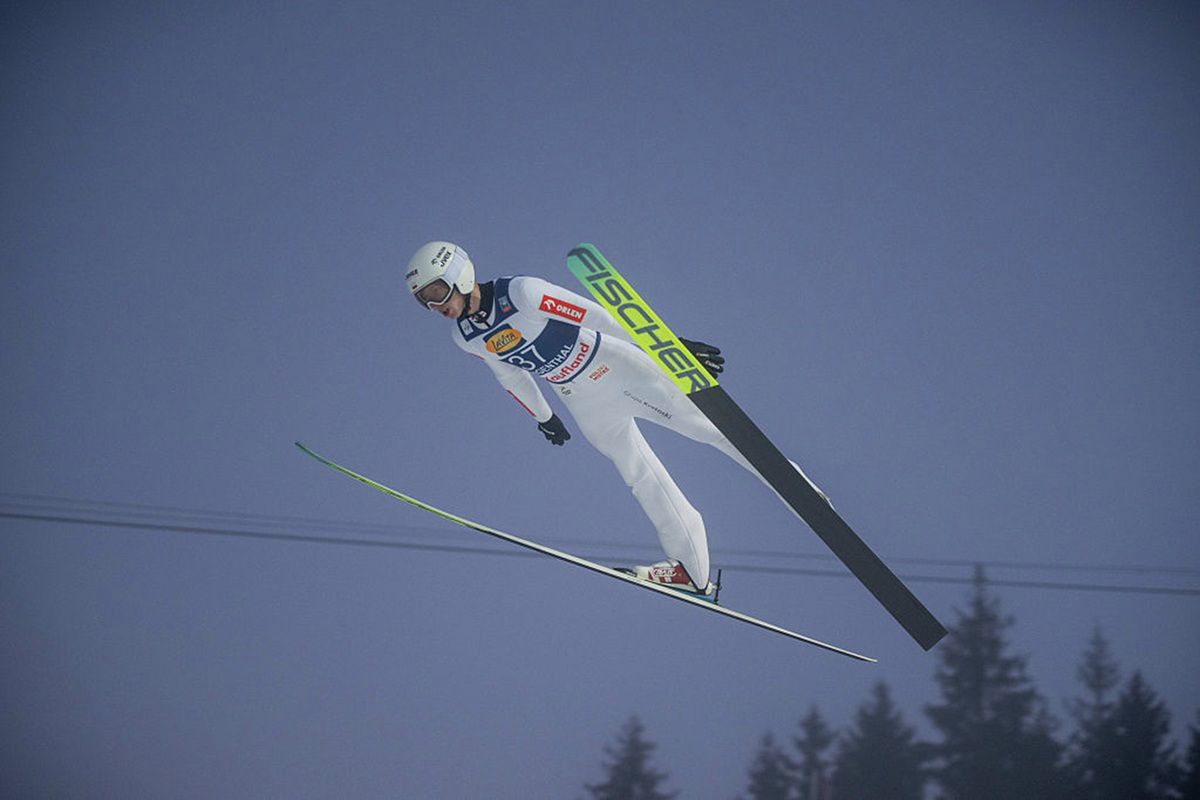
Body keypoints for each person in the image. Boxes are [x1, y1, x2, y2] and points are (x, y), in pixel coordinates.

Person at [406, 240, 828, 599]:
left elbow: (596, 315)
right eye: (425, 299)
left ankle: (799, 492)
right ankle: (691, 570)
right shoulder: (466, 338)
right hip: (579, 396)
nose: (436, 305)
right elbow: (509, 374)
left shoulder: (522, 293)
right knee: (639, 474)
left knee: (710, 430)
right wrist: (544, 416)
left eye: (438, 291)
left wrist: (667, 345)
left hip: (614, 365)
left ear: (461, 274)